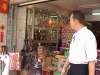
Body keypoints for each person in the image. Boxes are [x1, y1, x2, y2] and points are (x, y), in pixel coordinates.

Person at [61, 10, 97, 75]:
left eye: (70, 20)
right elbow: (71, 54)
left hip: (81, 70)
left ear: (76, 21)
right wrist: (64, 68)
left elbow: (92, 61)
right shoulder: (75, 35)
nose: (69, 22)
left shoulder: (88, 35)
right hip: (72, 68)